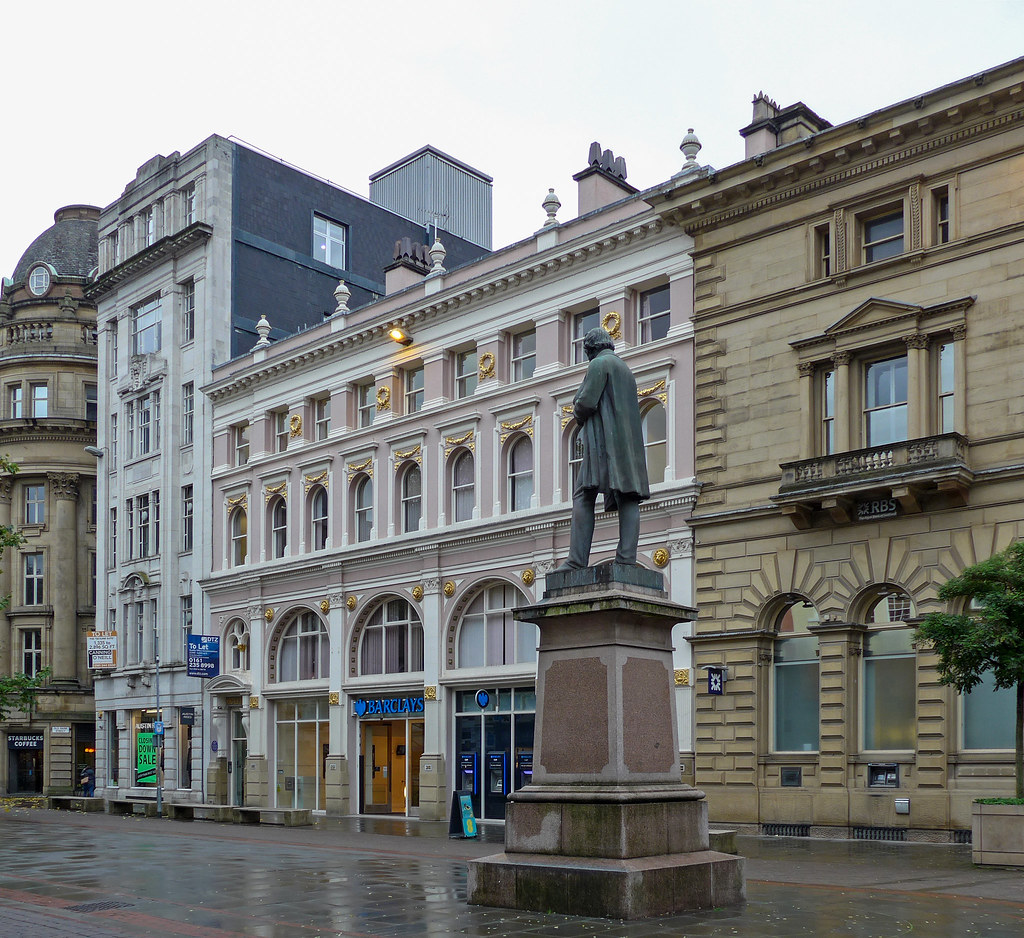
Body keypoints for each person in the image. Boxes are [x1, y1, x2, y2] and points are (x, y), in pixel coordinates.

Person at [556, 327, 650, 570]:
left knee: (583, 494)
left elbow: (586, 402)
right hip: (628, 446)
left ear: (590, 349)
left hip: (603, 444)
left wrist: (576, 408)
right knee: (629, 497)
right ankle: (627, 560)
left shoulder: (599, 364)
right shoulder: (625, 370)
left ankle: (576, 561)